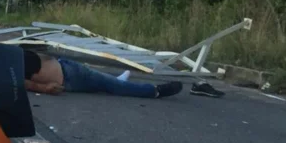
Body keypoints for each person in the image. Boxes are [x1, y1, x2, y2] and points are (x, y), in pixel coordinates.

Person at [22, 49, 183, 98]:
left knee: (106, 83)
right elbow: (20, 82)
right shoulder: (1, 64)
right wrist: (44, 89)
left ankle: (117, 80)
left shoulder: (2, 55)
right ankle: (154, 91)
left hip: (65, 68)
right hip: (67, 75)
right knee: (113, 87)